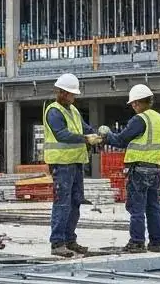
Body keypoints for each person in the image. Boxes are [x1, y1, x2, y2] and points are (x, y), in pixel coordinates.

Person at [104, 83, 160, 253]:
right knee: (153, 206)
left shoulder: (140, 119)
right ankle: (157, 243)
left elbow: (120, 140)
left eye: (133, 104)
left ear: (138, 103)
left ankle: (137, 242)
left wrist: (106, 136)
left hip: (139, 170)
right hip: (157, 169)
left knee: (136, 207)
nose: (133, 107)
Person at [44, 72, 99, 258]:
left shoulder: (73, 110)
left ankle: (70, 240)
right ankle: (57, 243)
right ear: (62, 93)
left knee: (75, 202)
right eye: (71, 94)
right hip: (61, 164)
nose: (74, 97)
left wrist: (97, 135)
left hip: (75, 163)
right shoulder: (54, 111)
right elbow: (61, 134)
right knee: (62, 203)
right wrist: (85, 139)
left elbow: (85, 127)